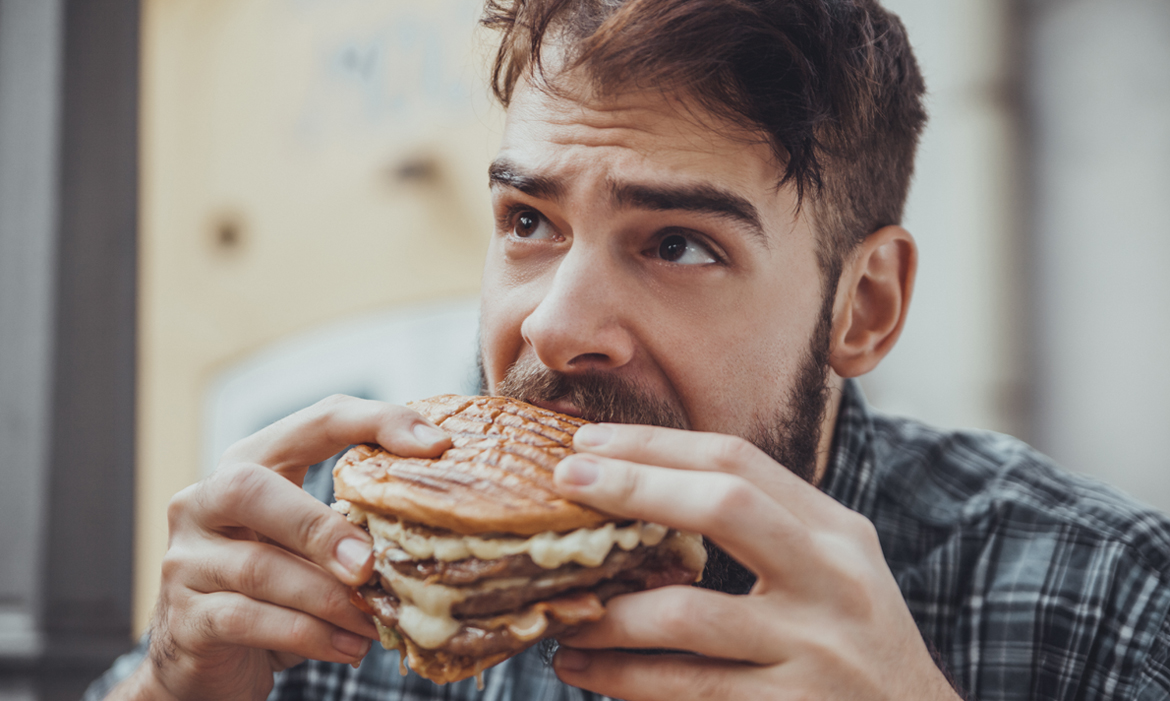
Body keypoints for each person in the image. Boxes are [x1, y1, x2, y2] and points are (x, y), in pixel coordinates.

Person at [87, 0, 1170, 699]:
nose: (556, 325)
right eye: (529, 223)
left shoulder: (1098, 596)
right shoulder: (356, 559)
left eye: (678, 242)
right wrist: (170, 687)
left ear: (866, 305)